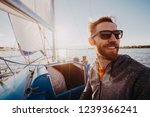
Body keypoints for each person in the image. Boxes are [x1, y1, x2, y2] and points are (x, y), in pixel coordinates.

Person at [80, 16, 150, 100]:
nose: (114, 39)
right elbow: (87, 92)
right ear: (91, 41)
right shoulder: (93, 68)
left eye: (117, 34)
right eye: (105, 34)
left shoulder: (140, 74)